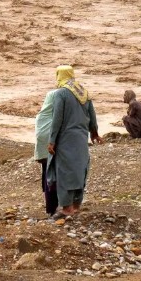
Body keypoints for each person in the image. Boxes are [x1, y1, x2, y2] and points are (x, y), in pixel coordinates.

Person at [48, 65, 101, 218]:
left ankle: (67, 208)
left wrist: (52, 140)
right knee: (79, 171)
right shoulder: (83, 92)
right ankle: (77, 205)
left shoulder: (61, 93)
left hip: (65, 139)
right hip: (81, 138)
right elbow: (92, 115)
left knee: (64, 173)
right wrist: (95, 133)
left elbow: (57, 119)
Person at [33, 88, 59, 217]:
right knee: (53, 175)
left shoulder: (42, 115)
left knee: (45, 173)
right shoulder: (56, 116)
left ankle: (49, 205)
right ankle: (52, 207)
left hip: (43, 150)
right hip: (52, 149)